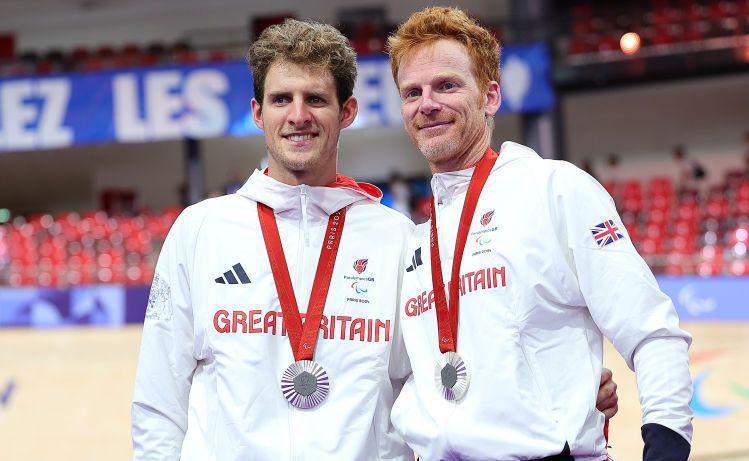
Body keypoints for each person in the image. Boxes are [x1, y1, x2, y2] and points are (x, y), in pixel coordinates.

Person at [131, 18, 619, 460]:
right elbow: (159, 400)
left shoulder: (399, 240)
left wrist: (566, 382)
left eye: (316, 100)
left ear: (347, 112)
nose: (298, 115)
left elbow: (452, 362)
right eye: (282, 99)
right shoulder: (200, 231)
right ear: (258, 113)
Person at [387, 7, 693, 461]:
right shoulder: (414, 241)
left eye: (447, 86)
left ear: (491, 96)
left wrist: (666, 445)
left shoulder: (555, 189)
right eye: (413, 92)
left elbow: (651, 331)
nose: (427, 104)